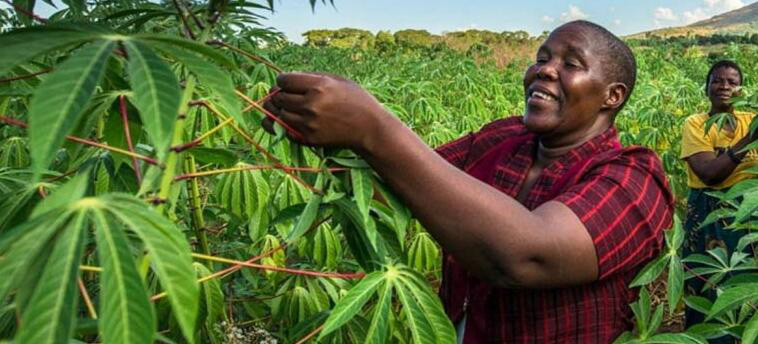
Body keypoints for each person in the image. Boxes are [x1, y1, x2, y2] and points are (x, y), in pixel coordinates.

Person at [263, 20, 673, 343]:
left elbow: (526, 257)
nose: (544, 69)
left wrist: (373, 127)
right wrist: (317, 120)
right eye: (542, 57)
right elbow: (404, 179)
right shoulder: (502, 138)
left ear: (612, 96)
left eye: (571, 64)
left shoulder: (636, 178)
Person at [680, 60, 758, 342]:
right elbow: (709, 173)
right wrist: (749, 140)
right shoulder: (696, 123)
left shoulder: (752, 118)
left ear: (741, 89)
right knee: (707, 285)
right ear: (706, 87)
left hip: (749, 212)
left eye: (732, 81)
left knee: (746, 283)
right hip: (708, 212)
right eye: (717, 80)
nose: (724, 86)